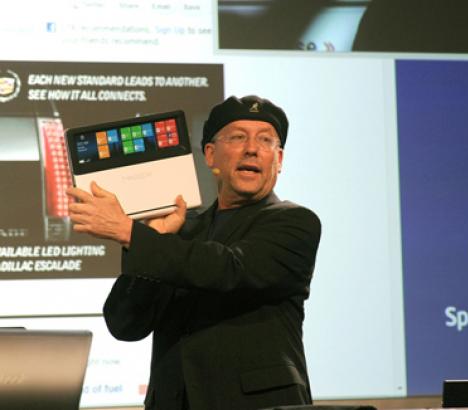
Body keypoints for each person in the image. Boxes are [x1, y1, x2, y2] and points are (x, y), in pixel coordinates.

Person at [67, 96, 322, 410]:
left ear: (278, 159)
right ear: (211, 155)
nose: (252, 149)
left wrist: (130, 232)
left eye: (266, 140)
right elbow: (125, 324)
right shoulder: (179, 231)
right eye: (238, 137)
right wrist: (154, 237)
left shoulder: (294, 222)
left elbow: (229, 269)